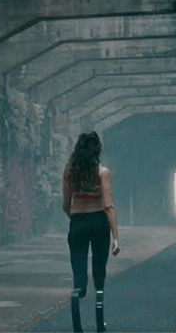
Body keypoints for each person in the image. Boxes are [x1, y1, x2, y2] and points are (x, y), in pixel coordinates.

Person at [62, 131, 119, 333]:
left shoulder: (70, 172)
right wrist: (116, 237)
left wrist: (77, 220)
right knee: (99, 265)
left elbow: (65, 205)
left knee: (78, 266)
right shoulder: (102, 172)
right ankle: (99, 314)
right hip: (99, 223)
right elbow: (108, 206)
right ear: (97, 150)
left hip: (78, 221)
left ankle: (78, 293)